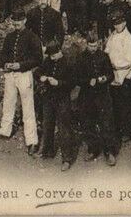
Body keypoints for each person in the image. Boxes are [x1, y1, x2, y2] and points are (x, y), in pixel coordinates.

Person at [0, 8, 42, 155]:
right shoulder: (9, 37)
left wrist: (20, 65)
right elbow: (3, 54)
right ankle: (5, 131)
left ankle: (32, 141)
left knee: (28, 107)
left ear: (24, 20)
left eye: (19, 20)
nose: (16, 23)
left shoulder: (32, 37)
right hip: (10, 75)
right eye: (14, 20)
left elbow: (38, 59)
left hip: (24, 74)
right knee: (8, 103)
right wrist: (5, 64)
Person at [76, 31, 118, 166]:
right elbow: (77, 78)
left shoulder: (104, 57)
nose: (93, 49)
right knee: (88, 123)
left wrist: (105, 78)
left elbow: (111, 74)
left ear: (98, 44)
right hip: (87, 96)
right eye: (90, 46)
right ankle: (93, 149)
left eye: (95, 46)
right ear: (86, 44)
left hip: (102, 95)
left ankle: (109, 151)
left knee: (106, 123)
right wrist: (88, 81)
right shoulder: (81, 58)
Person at [34, 41, 75, 170]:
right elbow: (37, 72)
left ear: (59, 52)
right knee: (48, 125)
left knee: (64, 129)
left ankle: (67, 159)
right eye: (50, 55)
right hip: (48, 99)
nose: (51, 58)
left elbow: (72, 83)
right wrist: (41, 77)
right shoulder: (48, 61)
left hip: (62, 99)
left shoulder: (68, 63)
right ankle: (48, 151)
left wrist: (58, 83)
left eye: (53, 55)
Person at [105, 12, 131, 142]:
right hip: (113, 76)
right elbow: (107, 50)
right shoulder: (113, 35)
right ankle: (118, 129)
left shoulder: (128, 39)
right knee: (115, 105)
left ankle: (127, 131)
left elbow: (129, 61)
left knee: (124, 106)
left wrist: (114, 64)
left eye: (119, 23)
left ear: (124, 23)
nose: (117, 26)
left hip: (123, 76)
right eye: (115, 24)